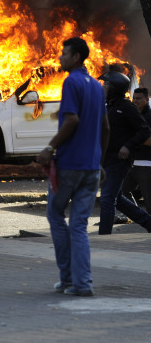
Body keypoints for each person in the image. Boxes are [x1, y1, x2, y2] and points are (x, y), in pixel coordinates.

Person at [37, 37, 109, 297]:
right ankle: (82, 283)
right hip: (91, 168)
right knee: (79, 225)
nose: (60, 58)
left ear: (76, 57)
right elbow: (106, 128)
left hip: (69, 166)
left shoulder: (71, 82)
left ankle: (68, 278)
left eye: (64, 53)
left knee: (56, 216)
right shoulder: (98, 87)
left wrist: (49, 147)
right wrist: (99, 163)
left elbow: (72, 120)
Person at [98, 74, 151, 235]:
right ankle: (148, 222)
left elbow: (144, 131)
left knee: (107, 198)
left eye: (106, 86)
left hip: (119, 162)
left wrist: (128, 146)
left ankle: (103, 237)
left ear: (114, 89)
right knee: (117, 199)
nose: (103, 88)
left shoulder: (126, 107)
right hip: (106, 160)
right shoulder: (107, 106)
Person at [121, 88, 151, 212]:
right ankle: (137, 215)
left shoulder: (149, 116)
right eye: (134, 98)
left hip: (146, 165)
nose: (136, 101)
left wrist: (132, 139)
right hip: (132, 164)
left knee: (149, 201)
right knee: (121, 191)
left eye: (139, 98)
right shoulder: (135, 115)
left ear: (147, 99)